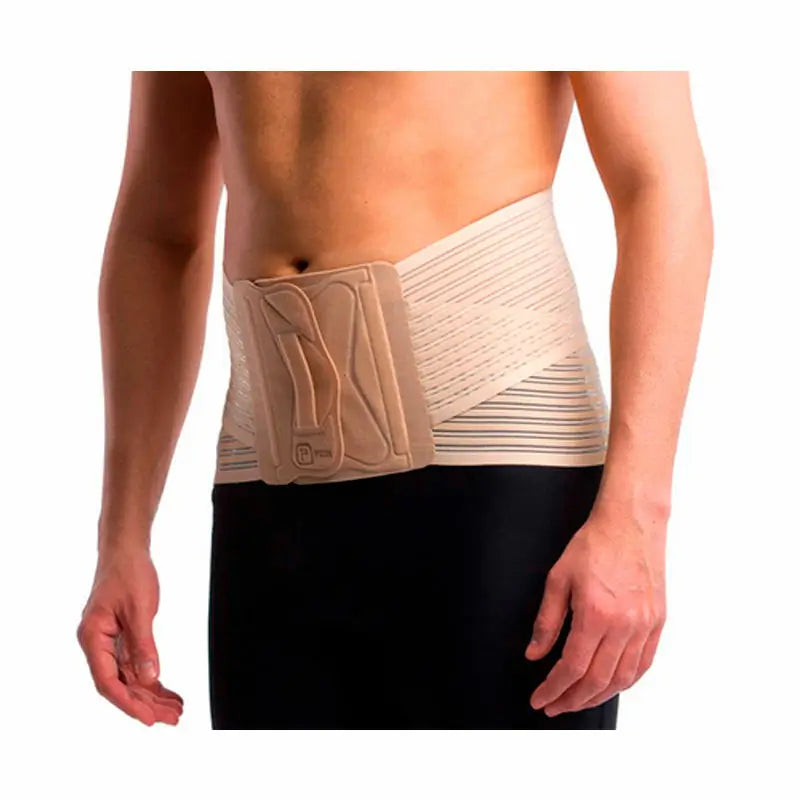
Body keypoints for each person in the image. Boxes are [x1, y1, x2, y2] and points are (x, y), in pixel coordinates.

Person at [76, 71, 713, 730]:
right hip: (266, 493)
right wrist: (122, 533)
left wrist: (636, 516)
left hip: (496, 474)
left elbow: (659, 181)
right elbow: (158, 232)